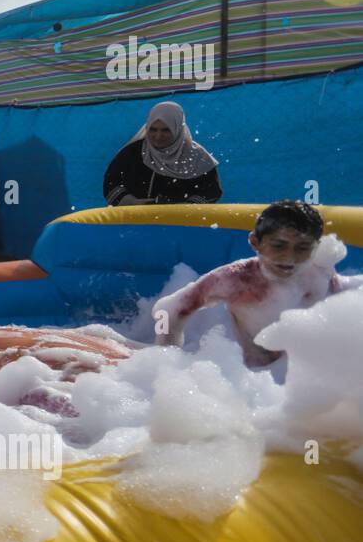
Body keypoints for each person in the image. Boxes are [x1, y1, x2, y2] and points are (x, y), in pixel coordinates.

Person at [153, 200, 363, 368]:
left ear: (316, 248)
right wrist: (167, 356)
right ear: (255, 243)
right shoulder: (235, 279)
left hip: (316, 376)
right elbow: (171, 310)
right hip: (261, 378)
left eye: (302, 248)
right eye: (279, 245)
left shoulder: (319, 271)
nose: (289, 258)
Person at [103, 101, 221, 206]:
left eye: (166, 130)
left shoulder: (197, 157)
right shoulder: (133, 153)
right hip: (136, 220)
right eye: (153, 129)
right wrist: (131, 202)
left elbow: (211, 191)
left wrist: (186, 208)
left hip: (181, 223)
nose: (158, 136)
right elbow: (111, 183)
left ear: (177, 129)